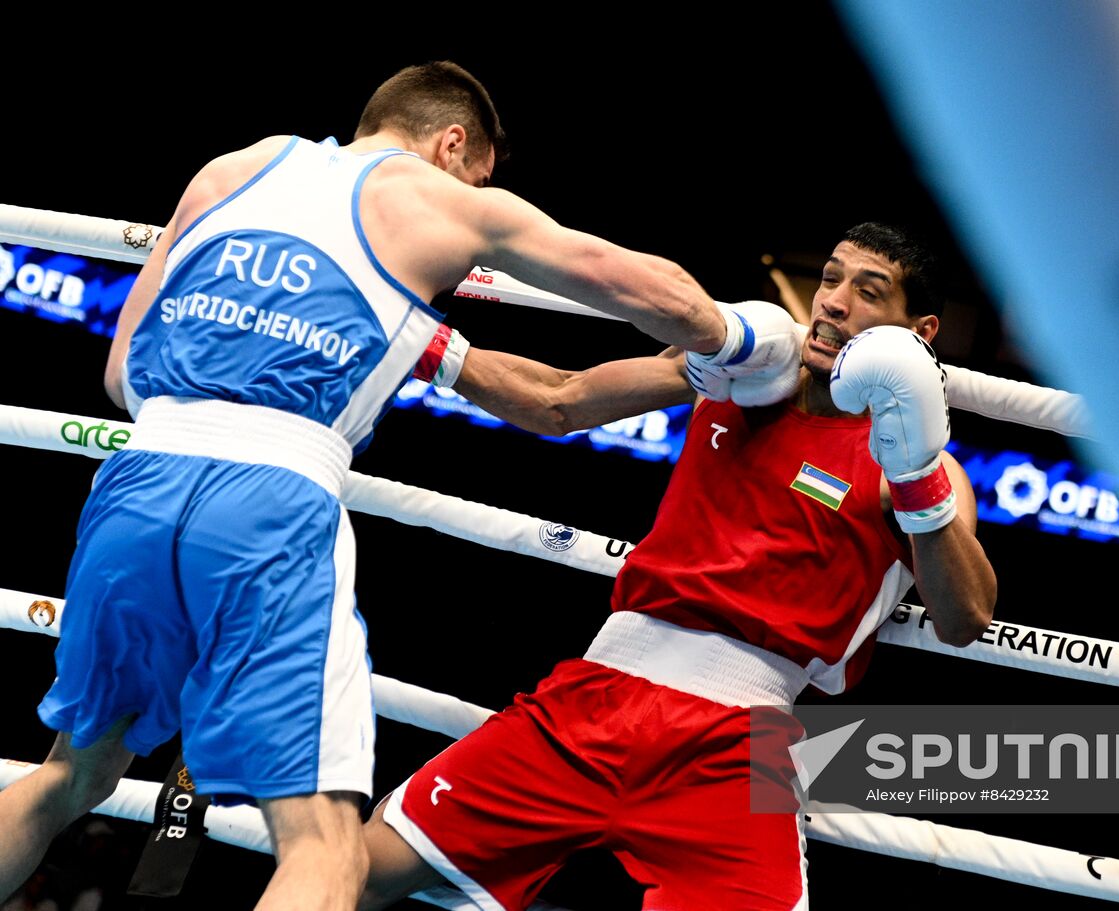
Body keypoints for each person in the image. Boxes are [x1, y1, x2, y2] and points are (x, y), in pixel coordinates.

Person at [0, 61, 773, 911]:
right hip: (269, 502)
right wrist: (744, 339)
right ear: (452, 145)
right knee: (326, 850)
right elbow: (645, 287)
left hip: (137, 484)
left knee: (68, 777)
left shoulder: (232, 169)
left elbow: (121, 371)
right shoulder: (441, 201)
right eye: (478, 171)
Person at [358, 222, 998, 910]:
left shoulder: (916, 468)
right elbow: (560, 399)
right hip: (591, 698)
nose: (833, 302)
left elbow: (966, 616)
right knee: (357, 870)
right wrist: (425, 345)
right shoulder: (735, 378)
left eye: (867, 292)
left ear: (920, 332)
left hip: (736, 746)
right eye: (831, 279)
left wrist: (917, 478)